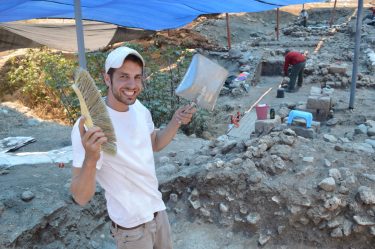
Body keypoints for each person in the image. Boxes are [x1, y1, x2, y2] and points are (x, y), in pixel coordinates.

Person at [70, 46, 196, 249]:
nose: (132, 84)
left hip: (158, 212)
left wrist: (175, 121)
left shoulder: (140, 110)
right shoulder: (88, 126)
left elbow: (155, 143)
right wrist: (91, 158)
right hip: (131, 229)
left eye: (137, 77)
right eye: (123, 76)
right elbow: (80, 197)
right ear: (107, 79)